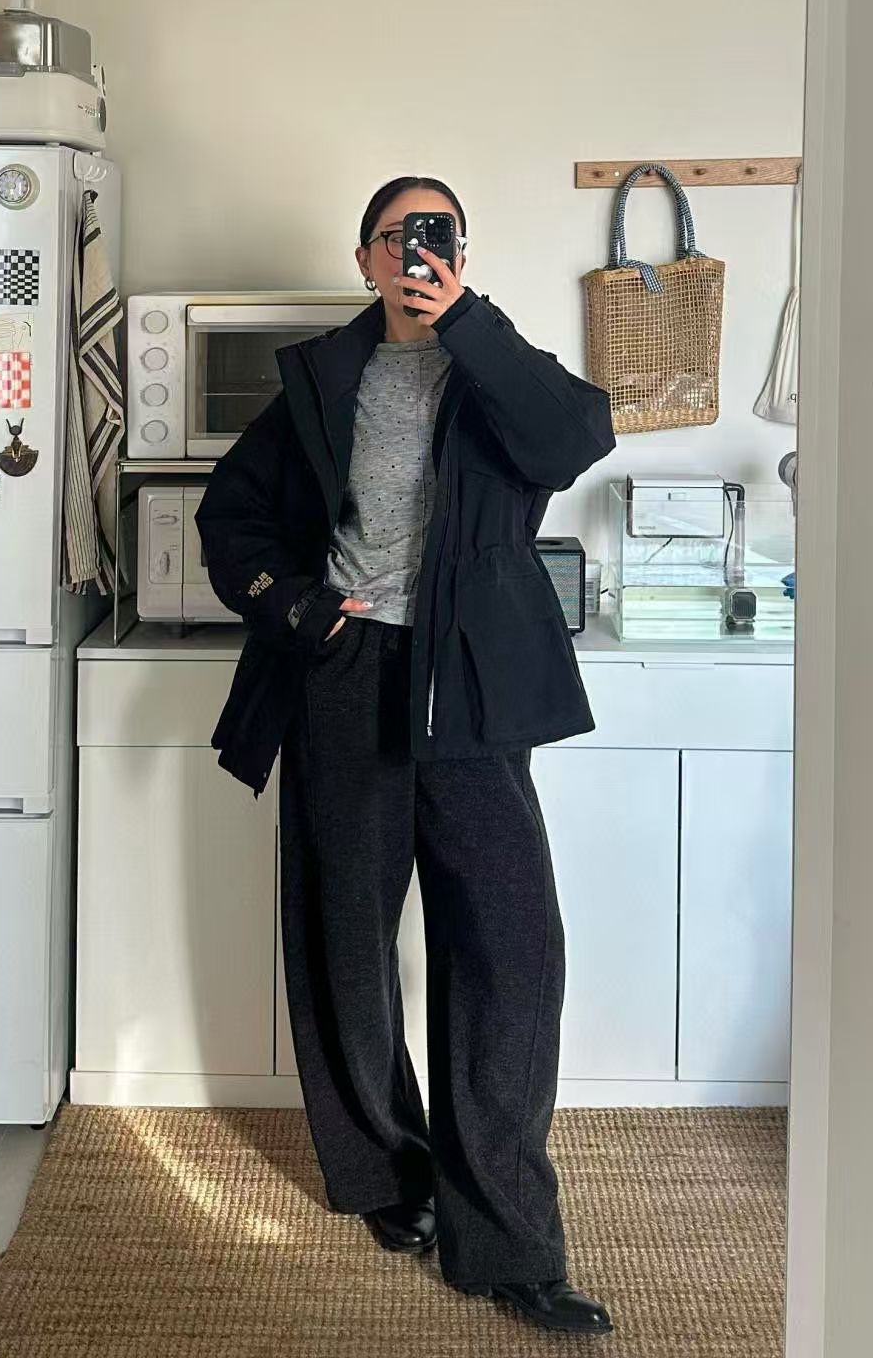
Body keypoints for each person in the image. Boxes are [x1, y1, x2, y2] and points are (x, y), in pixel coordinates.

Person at [195, 176, 617, 1335]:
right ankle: (390, 1173)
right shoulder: (324, 375)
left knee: (511, 950)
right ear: (366, 258)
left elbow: (578, 437)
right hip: (346, 675)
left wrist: (469, 321)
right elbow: (233, 517)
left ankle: (510, 1242)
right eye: (398, 237)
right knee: (347, 941)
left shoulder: (495, 363)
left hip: (469, 683)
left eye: (437, 236)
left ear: (461, 254)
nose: (416, 254)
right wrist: (294, 606)